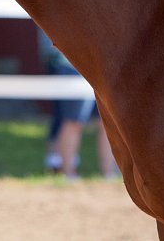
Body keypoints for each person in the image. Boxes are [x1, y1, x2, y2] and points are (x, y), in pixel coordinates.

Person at [37, 26, 118, 180]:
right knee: (74, 121)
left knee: (106, 122)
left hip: (99, 62)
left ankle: (109, 172)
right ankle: (68, 173)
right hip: (72, 64)